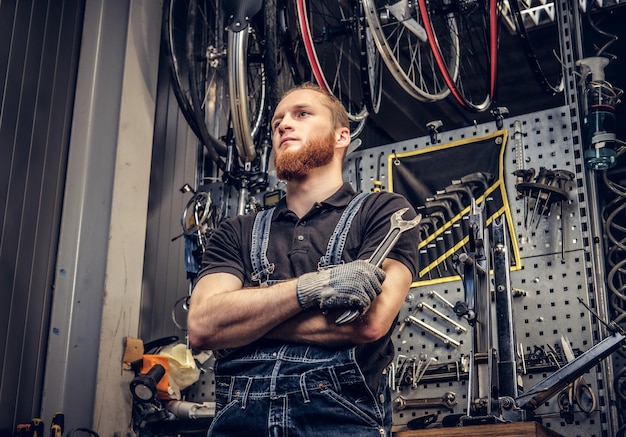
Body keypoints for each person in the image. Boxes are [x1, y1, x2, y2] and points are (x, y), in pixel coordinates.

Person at [188, 83, 420, 436]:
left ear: (341, 136)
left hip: (339, 419)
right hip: (239, 422)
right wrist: (312, 289)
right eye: (278, 120)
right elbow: (203, 327)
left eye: (301, 114)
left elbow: (368, 323)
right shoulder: (236, 230)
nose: (283, 125)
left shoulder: (383, 212)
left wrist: (247, 324)